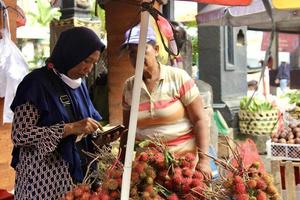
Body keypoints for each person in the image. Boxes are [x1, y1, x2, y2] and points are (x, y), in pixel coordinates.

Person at [10, 27, 105, 199]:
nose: (89, 69)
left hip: (76, 180)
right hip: (42, 183)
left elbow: (85, 126)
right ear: (71, 54)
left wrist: (101, 137)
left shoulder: (79, 84)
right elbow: (20, 134)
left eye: (93, 63)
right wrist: (69, 128)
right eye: (86, 61)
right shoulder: (36, 83)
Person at [120, 24, 212, 179]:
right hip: (147, 172)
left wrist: (204, 159)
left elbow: (200, 119)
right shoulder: (129, 87)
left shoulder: (178, 77)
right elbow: (127, 130)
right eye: (132, 53)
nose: (137, 57)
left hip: (183, 168)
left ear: (156, 50)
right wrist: (121, 163)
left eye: (143, 50)